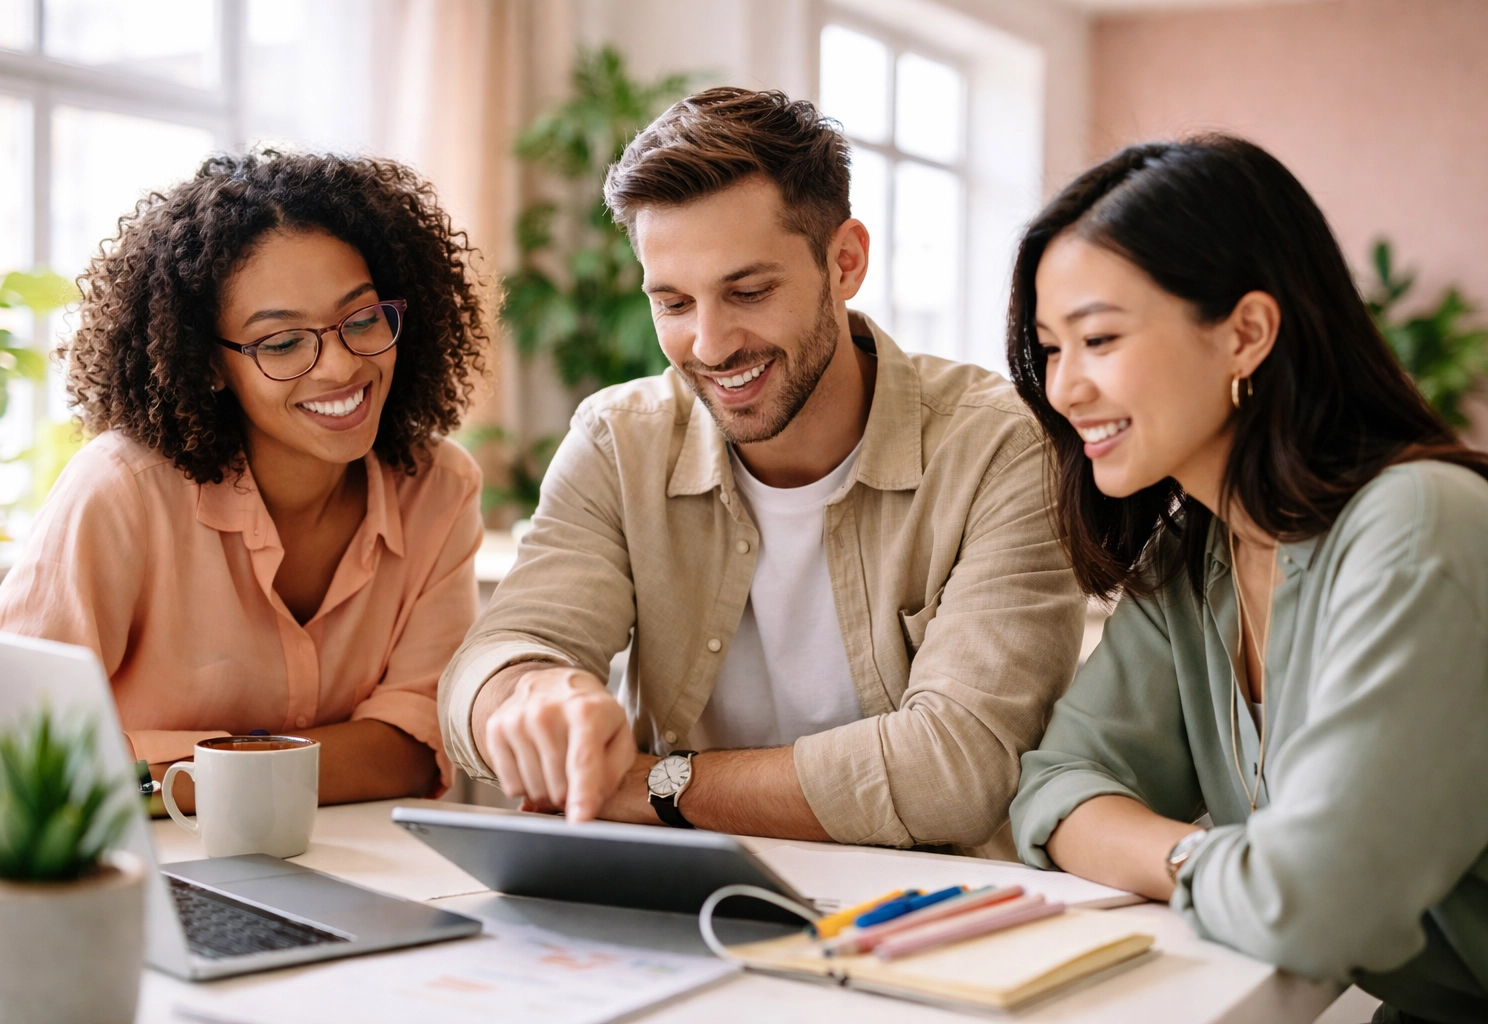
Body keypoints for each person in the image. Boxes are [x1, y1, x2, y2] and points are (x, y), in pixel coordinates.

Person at [439, 88, 1084, 853]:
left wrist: (649, 786)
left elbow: (955, 769)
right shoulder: (620, 439)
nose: (709, 345)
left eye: (748, 292)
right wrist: (529, 693)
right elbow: (491, 662)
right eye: (673, 302)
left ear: (845, 262)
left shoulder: (1003, 449)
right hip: (668, 904)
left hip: (919, 917)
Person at [1004, 135, 1488, 1024]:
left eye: (1099, 339)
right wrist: (1219, 862)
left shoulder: (1422, 524)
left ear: (1246, 333)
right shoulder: (1193, 560)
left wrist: (1187, 858)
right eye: (1050, 349)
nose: (1065, 389)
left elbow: (1312, 907)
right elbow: (1055, 785)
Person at [0, 151, 491, 809]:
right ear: (210, 364)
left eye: (362, 319)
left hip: (353, 871)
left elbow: (409, 753)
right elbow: (2, 744)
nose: (339, 367)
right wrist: (284, 766)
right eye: (281, 343)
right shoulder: (122, 490)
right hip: (143, 869)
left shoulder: (438, 488)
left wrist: (158, 771)